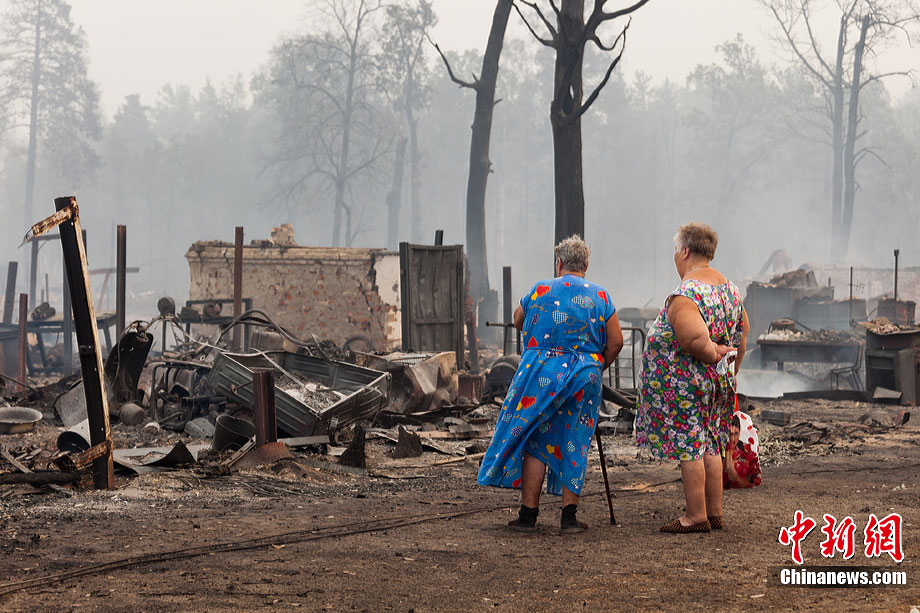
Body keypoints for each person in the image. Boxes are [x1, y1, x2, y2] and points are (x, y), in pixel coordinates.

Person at [478, 235, 624, 534]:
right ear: (586, 265)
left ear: (559, 263)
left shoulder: (541, 289)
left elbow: (518, 319)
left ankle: (528, 516)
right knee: (575, 440)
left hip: (541, 374)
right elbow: (616, 342)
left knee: (536, 439)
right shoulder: (601, 296)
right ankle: (568, 518)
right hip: (584, 375)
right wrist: (595, 366)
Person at [634, 222, 749, 533]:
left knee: (690, 447)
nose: (675, 256)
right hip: (715, 384)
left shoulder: (687, 294)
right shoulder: (729, 289)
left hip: (688, 386)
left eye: (676, 250)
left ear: (685, 251)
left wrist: (714, 354)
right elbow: (743, 333)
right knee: (710, 444)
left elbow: (694, 340)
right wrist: (730, 369)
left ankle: (695, 515)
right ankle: (714, 512)